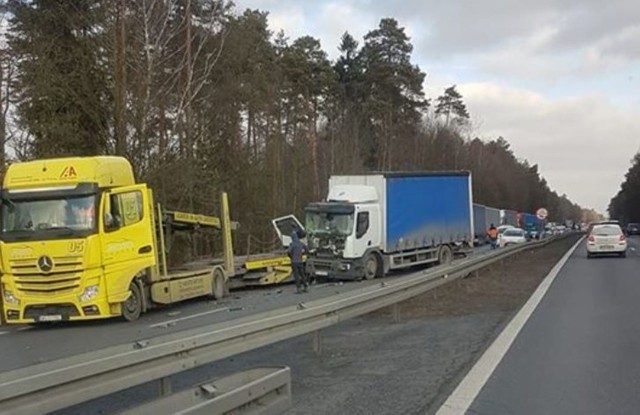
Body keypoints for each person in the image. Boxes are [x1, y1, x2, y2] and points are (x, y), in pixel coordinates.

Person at [288, 228, 309, 293]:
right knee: (302, 274)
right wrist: (303, 254)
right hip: (300, 261)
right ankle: (306, 287)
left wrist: (291, 257)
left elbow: (289, 252)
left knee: (296, 275)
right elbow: (307, 249)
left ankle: (299, 288)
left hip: (294, 261)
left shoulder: (292, 244)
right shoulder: (301, 243)